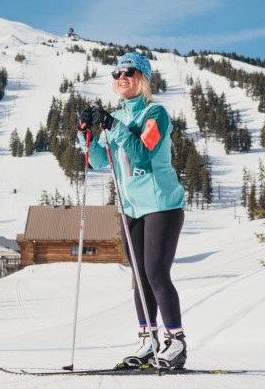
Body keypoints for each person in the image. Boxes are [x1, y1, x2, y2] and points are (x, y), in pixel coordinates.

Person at [78, 52, 187, 369]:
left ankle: (176, 342)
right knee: (139, 277)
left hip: (161, 205)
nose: (121, 77)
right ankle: (148, 342)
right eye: (116, 73)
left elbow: (141, 155)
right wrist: (87, 132)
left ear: (143, 79)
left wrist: (114, 125)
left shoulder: (156, 113)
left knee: (155, 273)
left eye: (129, 72)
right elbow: (98, 161)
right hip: (131, 208)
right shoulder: (116, 118)